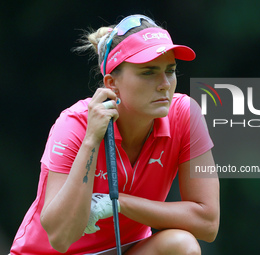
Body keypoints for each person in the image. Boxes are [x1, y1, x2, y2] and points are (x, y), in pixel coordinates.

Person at [10, 14, 220, 255]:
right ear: (111, 83)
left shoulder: (184, 114)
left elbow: (207, 224)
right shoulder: (75, 124)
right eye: (148, 72)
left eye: (170, 70)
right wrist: (91, 140)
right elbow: (60, 238)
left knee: (182, 246)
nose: (164, 83)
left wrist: (118, 203)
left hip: (124, 249)